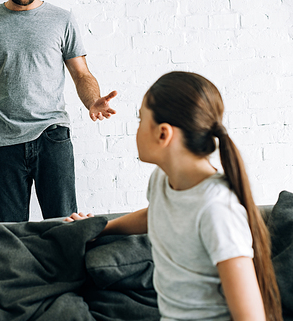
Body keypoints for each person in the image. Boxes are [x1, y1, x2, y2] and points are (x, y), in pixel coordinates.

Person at [66, 72, 282, 320]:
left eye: (140, 120)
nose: (135, 130)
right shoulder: (162, 180)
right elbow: (158, 213)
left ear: (163, 134)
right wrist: (99, 228)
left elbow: (251, 317)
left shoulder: (217, 210)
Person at [0, 0, 117, 222]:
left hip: (52, 137)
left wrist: (93, 101)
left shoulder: (62, 19)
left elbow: (82, 74)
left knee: (63, 225)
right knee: (10, 233)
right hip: (3, 140)